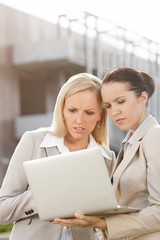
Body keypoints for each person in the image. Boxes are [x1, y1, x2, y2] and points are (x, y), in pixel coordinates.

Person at [0, 73, 114, 240]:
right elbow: (2, 211)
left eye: (89, 112)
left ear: (100, 116)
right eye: (72, 110)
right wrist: (42, 195)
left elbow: (106, 219)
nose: (79, 120)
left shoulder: (107, 158)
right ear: (61, 109)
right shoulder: (33, 141)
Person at [53, 67, 160, 240]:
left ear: (142, 98)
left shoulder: (155, 136)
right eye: (108, 106)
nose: (114, 112)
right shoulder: (129, 144)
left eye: (121, 101)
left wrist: (103, 224)